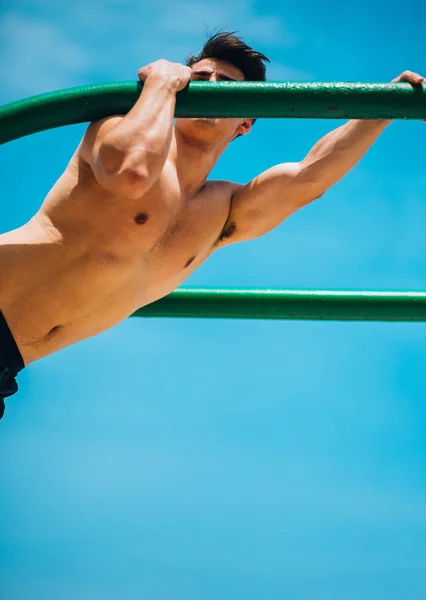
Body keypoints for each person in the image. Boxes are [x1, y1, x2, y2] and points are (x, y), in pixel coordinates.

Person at [0, 31, 424, 419]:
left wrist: (383, 107)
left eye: (228, 84)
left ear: (245, 122)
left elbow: (309, 178)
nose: (212, 86)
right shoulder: (116, 131)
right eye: (199, 77)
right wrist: (162, 85)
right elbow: (131, 171)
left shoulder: (222, 211)